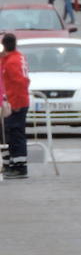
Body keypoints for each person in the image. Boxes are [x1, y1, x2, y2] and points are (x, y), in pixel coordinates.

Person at [1, 33, 30, 180]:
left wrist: (16, 104)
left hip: (15, 103)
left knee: (15, 133)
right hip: (14, 101)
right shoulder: (17, 57)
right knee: (8, 133)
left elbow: (20, 83)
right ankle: (10, 164)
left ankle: (19, 167)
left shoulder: (12, 62)